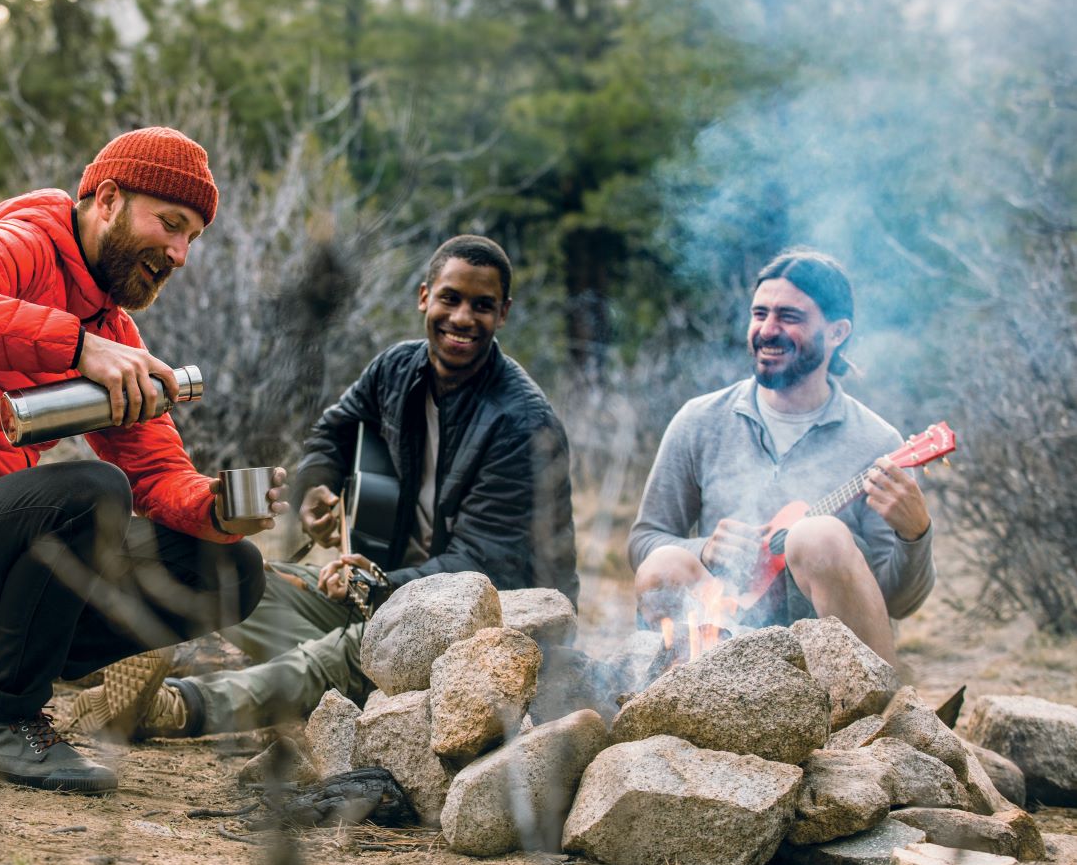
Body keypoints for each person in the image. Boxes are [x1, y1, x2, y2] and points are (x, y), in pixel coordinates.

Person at [0, 127, 286, 794]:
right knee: (90, 492)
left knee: (230, 571)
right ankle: (2, 726)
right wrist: (75, 348)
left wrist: (213, 510)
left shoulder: (111, 328)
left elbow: (158, 474)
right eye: (171, 224)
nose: (181, 254)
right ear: (106, 199)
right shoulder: (17, 245)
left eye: (193, 237)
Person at [72, 234, 579, 739]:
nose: (463, 318)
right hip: (385, 591)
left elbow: (485, 566)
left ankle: (175, 706)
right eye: (451, 298)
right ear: (425, 297)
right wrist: (317, 486)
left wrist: (376, 581)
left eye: (482, 306)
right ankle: (338, 676)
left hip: (483, 629)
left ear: (504, 313)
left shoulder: (522, 424)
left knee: (339, 654)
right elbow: (332, 434)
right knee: (239, 577)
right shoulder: (397, 369)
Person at [628, 247, 935, 662]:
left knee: (817, 535)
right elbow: (645, 540)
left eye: (789, 317)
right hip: (727, 643)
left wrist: (914, 536)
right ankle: (689, 707)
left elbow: (897, 604)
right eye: (759, 314)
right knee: (665, 563)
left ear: (837, 332)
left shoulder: (876, 442)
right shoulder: (700, 420)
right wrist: (704, 549)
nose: (767, 330)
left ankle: (872, 717)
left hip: (828, 657)